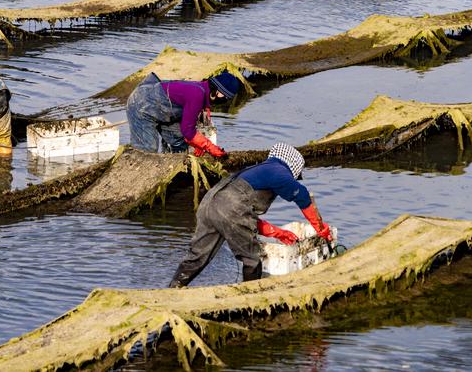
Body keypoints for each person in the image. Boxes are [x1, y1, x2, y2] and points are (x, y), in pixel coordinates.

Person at [169, 143, 333, 288]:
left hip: (209, 204)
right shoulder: (279, 171)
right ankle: (250, 295)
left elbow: (243, 217)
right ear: (293, 167)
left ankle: (174, 288)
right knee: (252, 259)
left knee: (198, 256)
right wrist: (320, 228)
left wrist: (278, 233)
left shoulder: (259, 170)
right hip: (229, 210)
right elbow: (302, 196)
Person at [126, 70, 241, 157]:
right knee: (147, 151)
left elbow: (187, 128)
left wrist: (197, 144)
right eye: (225, 96)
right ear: (218, 91)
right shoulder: (197, 94)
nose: (225, 99)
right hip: (142, 104)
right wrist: (209, 146)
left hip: (163, 110)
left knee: (178, 141)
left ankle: (170, 169)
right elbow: (188, 131)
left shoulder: (202, 90)